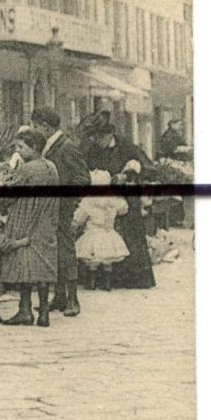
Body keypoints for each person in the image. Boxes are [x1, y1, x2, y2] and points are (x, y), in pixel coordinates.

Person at [83, 114, 157, 289]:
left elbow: (148, 169)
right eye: (95, 137)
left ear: (111, 134)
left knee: (130, 235)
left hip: (126, 198)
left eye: (101, 136)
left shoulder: (126, 146)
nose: (98, 140)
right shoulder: (91, 148)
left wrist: (128, 175)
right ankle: (103, 277)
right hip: (101, 198)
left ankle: (133, 278)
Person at [32, 105, 90, 317]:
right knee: (54, 252)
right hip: (49, 210)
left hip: (61, 209)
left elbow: (83, 179)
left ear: (45, 127)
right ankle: (59, 296)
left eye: (36, 126)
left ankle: (73, 299)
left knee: (65, 251)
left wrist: (68, 203)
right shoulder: (50, 145)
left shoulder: (67, 147)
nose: (34, 130)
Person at [0, 127, 60, 326]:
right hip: (46, 223)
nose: (19, 151)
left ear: (33, 147)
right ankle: (43, 313)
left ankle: (25, 310)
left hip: (26, 222)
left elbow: (11, 193)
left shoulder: (27, 168)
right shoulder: (51, 166)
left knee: (24, 266)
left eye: (21, 147)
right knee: (42, 267)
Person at [73, 169, 131, 290]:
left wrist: (76, 222)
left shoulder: (89, 201)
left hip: (93, 232)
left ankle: (92, 282)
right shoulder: (113, 200)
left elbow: (80, 217)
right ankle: (107, 283)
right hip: (109, 232)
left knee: (93, 259)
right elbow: (123, 209)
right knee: (107, 259)